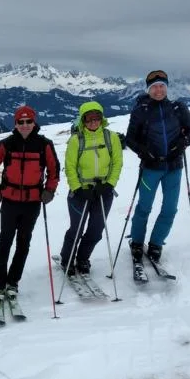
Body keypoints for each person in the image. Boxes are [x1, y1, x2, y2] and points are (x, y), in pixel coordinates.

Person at [0, 105, 59, 299]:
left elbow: (54, 171)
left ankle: (13, 282)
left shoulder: (45, 145)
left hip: (32, 201)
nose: (25, 125)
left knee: (23, 243)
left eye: (28, 121)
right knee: (4, 243)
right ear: (15, 124)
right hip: (9, 200)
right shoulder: (6, 144)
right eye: (21, 122)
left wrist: (50, 190)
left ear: (34, 123)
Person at [124, 71, 190, 263]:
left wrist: (183, 142)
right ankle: (137, 242)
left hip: (174, 167)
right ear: (148, 89)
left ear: (166, 87)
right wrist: (144, 152)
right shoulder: (141, 110)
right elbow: (130, 138)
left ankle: (156, 243)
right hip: (151, 167)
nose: (158, 90)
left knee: (170, 209)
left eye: (161, 86)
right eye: (154, 87)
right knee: (144, 207)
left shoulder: (178, 108)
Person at [59, 101, 123, 276]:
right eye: (89, 119)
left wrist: (110, 184)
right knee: (76, 229)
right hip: (80, 192)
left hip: (104, 191)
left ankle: (82, 258)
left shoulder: (111, 137)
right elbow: (70, 166)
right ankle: (67, 259)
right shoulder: (76, 140)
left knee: (96, 230)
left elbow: (117, 163)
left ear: (102, 119)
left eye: (97, 118)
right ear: (83, 120)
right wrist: (78, 188)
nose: (93, 122)